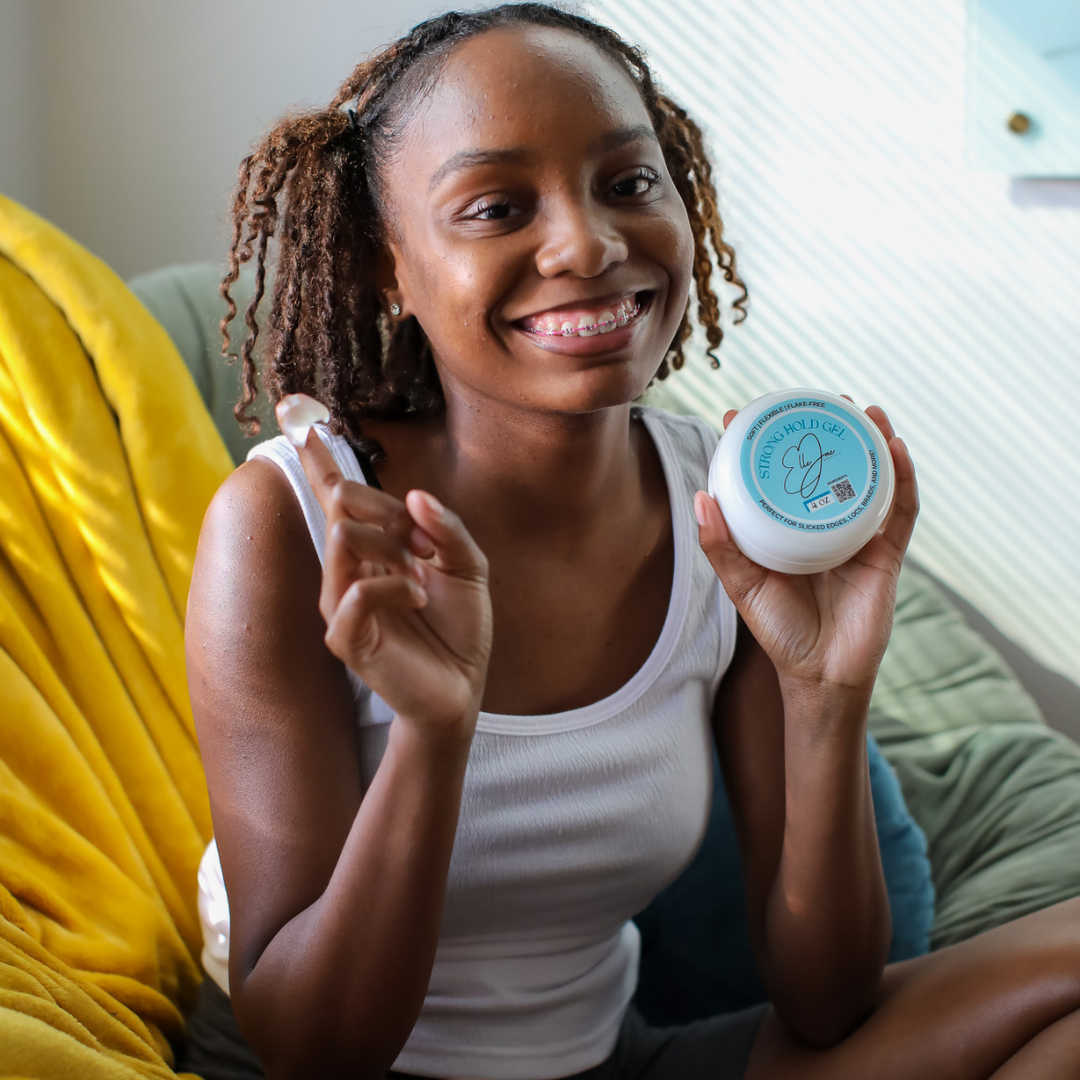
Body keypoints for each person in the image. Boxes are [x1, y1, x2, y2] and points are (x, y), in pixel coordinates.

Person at [180, 5, 1080, 1079]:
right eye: (496, 206)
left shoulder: (724, 508)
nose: (590, 244)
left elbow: (828, 1003)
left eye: (628, 182)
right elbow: (316, 1050)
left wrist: (826, 695)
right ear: (389, 268)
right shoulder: (290, 525)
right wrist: (432, 730)